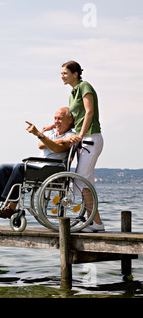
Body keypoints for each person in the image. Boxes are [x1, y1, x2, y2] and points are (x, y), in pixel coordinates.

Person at [44, 61, 104, 232]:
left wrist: (81, 135)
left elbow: (89, 112)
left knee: (80, 180)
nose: (62, 76)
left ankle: (96, 223)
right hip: (84, 141)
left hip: (91, 138)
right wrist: (52, 126)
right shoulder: (72, 93)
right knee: (86, 182)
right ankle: (96, 222)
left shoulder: (85, 86)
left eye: (65, 73)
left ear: (75, 74)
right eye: (61, 74)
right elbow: (75, 119)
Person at [0, 107, 75, 219]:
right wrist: (60, 140)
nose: (56, 121)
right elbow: (40, 145)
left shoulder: (71, 135)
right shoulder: (52, 132)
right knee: (1, 168)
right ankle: (5, 204)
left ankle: (11, 207)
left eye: (60, 119)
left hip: (52, 169)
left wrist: (42, 136)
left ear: (69, 120)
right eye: (55, 118)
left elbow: (57, 149)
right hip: (40, 166)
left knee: (20, 167)